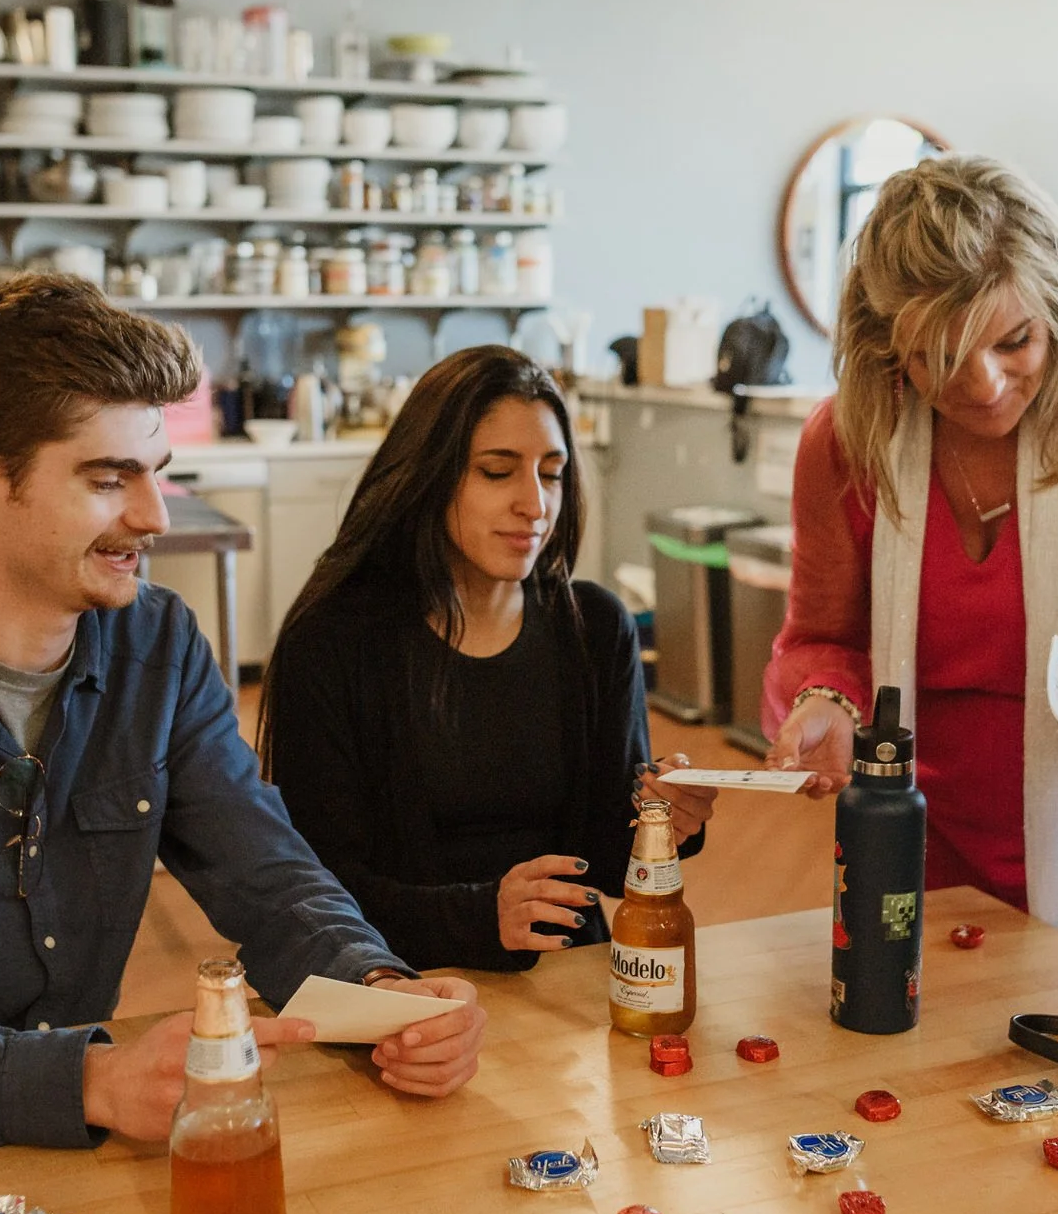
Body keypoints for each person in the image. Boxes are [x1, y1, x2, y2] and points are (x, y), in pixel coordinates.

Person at [0, 273, 488, 1152]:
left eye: (157, 475)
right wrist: (87, 1081)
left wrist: (378, 988)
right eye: (109, 479)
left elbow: (268, 877)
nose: (153, 517)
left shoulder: (161, 647)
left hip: (82, 1162)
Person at [764, 154, 1058, 978]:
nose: (982, 385)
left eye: (1014, 341)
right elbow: (821, 637)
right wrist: (825, 701)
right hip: (914, 823)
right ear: (885, 347)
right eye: (939, 357)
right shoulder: (846, 444)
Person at [259, 346, 717, 972]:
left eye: (551, 474)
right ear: (427, 477)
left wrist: (667, 823)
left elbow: (610, 865)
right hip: (400, 980)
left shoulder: (594, 628)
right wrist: (482, 915)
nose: (535, 505)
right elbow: (317, 894)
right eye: (497, 472)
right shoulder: (332, 642)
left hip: (566, 977)